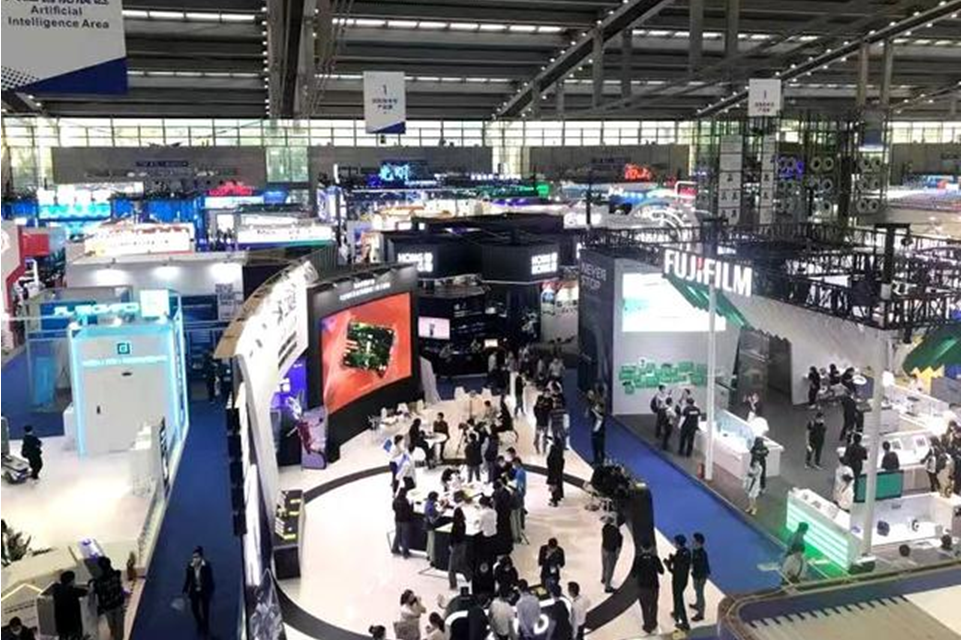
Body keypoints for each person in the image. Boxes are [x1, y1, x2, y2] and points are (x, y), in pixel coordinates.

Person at [631, 539, 664, 635]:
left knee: (644, 606)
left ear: (641, 548)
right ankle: (653, 623)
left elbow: (633, 574)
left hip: (643, 586)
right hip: (654, 586)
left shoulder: (638, 559)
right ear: (651, 548)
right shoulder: (655, 558)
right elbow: (661, 571)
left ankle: (647, 625)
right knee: (654, 605)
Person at [182, 546, 214, 636]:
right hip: (194, 591)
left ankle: (206, 626)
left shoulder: (206, 566)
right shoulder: (190, 566)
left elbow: (210, 580)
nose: (195, 559)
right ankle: (199, 622)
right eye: (193, 557)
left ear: (201, 557)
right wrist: (185, 589)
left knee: (205, 610)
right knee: (194, 609)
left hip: (204, 592)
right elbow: (188, 579)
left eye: (197, 557)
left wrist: (210, 592)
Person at [93, 556, 125, 640]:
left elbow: (97, 592)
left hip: (108, 606)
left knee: (112, 624)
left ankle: (115, 636)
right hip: (118, 603)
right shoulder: (116, 574)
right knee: (119, 625)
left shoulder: (98, 582)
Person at [665, 534, 691, 631]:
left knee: (679, 599)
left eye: (675, 542)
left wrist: (669, 566)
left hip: (678, 580)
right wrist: (674, 558)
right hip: (684, 579)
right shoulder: (687, 552)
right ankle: (676, 613)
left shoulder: (680, 554)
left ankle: (685, 623)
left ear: (678, 544)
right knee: (676, 597)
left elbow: (677, 570)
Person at [52, 571, 86, 640]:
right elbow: (85, 592)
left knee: (63, 636)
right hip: (72, 623)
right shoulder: (72, 591)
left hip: (60, 622)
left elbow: (55, 585)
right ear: (71, 581)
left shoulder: (56, 589)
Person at [448, 508, 472, 589]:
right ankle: (470, 576)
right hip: (463, 544)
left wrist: (451, 545)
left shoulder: (455, 524)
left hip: (456, 546)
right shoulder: (463, 523)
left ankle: (453, 584)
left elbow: (453, 536)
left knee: (452, 567)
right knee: (461, 563)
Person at [689, 532, 711, 622]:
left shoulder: (702, 554)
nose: (692, 542)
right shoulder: (695, 550)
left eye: (693, 541)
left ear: (699, 543)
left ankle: (701, 614)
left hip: (701, 576)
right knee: (696, 589)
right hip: (696, 574)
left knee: (700, 593)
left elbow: (702, 568)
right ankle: (698, 604)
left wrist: (697, 577)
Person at [600, 514, 623, 593]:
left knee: (604, 565)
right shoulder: (617, 533)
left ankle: (603, 578)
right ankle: (608, 587)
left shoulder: (605, 528)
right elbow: (618, 546)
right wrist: (617, 555)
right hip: (611, 552)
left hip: (603, 549)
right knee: (610, 569)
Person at [392, 488, 414, 559]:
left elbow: (393, 508)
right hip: (405, 521)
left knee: (398, 534)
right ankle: (405, 551)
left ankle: (394, 548)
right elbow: (409, 511)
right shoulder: (405, 501)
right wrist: (411, 505)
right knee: (405, 536)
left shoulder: (395, 500)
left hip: (397, 519)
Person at [510, 457, 527, 541]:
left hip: (519, 494)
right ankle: (522, 525)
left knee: (520, 510)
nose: (514, 465)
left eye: (514, 464)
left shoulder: (520, 473)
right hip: (520, 493)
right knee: (521, 509)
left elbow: (519, 484)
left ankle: (521, 525)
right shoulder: (521, 471)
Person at [546, 436, 565, 507]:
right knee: (558, 484)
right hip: (558, 472)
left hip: (553, 472)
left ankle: (555, 501)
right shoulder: (560, 450)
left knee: (553, 486)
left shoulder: (554, 452)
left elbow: (550, 462)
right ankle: (558, 496)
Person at [424, 492, 441, 565]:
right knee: (432, 543)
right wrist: (439, 515)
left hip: (427, 525)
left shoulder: (428, 503)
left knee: (429, 541)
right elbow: (432, 521)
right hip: (431, 526)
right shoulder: (431, 508)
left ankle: (428, 555)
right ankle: (432, 560)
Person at [590, 396, 606, 466]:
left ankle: (602, 462)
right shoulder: (594, 414)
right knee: (595, 448)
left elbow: (600, 418)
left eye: (597, 406)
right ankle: (595, 460)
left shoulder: (602, 414)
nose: (595, 407)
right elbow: (586, 415)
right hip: (594, 432)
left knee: (601, 448)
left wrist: (594, 412)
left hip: (600, 434)